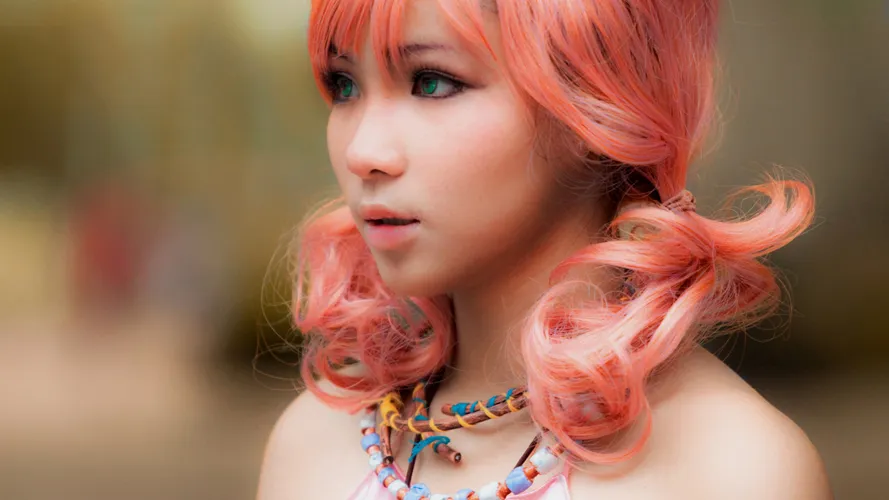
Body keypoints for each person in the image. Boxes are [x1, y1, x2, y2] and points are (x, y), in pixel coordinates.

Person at [258, 1, 832, 498]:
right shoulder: (313, 446)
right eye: (345, 85)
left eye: (431, 82)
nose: (362, 151)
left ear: (594, 102)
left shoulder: (733, 470)